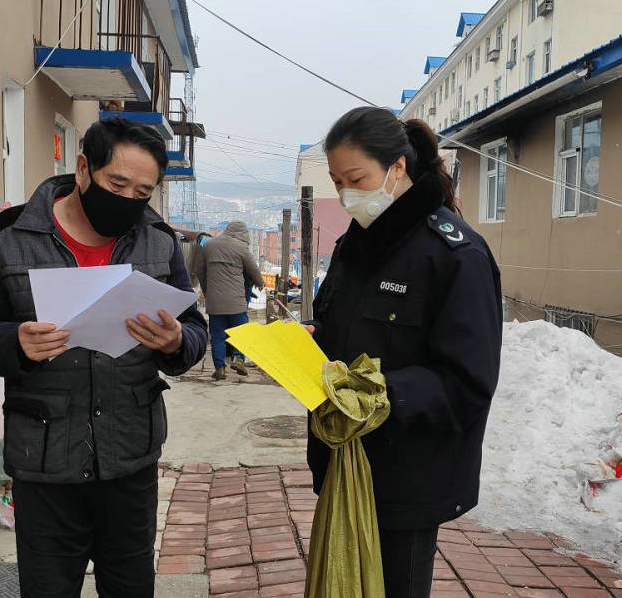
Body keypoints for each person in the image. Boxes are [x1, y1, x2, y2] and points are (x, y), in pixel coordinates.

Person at [0, 117, 207, 598]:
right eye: (117, 185)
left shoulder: (159, 241)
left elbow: (194, 332)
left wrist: (175, 342)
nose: (128, 200)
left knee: (130, 587)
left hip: (129, 458)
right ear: (83, 168)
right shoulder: (8, 236)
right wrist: (14, 342)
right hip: (45, 462)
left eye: (142, 192)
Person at [305, 107, 502, 597]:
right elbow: (339, 327)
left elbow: (468, 381)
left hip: (406, 475)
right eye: (337, 182)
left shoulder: (455, 254)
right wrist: (310, 343)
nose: (346, 195)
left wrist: (379, 392)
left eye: (356, 180)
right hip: (344, 462)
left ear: (397, 167)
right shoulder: (354, 245)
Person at [195, 221, 264, 380]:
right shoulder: (241, 248)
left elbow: (200, 270)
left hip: (215, 303)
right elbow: (254, 270)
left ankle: (220, 368)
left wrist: (206, 290)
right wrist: (260, 283)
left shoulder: (208, 246)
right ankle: (238, 358)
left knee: (218, 335)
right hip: (236, 302)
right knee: (241, 332)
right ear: (242, 234)